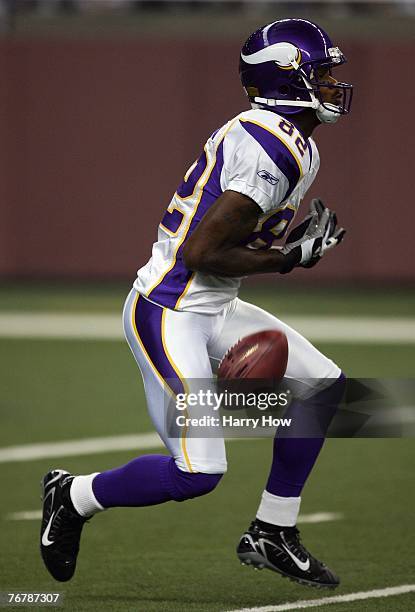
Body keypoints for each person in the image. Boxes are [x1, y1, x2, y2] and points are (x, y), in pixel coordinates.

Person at [40, 18, 352, 589]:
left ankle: (272, 531)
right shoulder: (273, 148)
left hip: (213, 305)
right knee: (198, 473)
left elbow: (225, 248)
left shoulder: (287, 140)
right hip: (171, 310)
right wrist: (290, 257)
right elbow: (205, 252)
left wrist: (287, 248)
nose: (333, 83)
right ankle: (74, 495)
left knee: (324, 387)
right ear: (287, 80)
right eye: (322, 73)